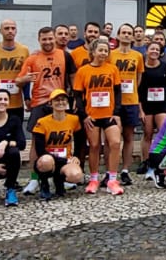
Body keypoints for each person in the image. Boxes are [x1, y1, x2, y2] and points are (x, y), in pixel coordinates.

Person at [17, 26, 77, 194]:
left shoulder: (64, 55)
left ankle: (62, 176)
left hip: (59, 102)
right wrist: (25, 83)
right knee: (36, 143)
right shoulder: (32, 58)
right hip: (40, 103)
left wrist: (74, 98)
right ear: (39, 40)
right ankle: (34, 179)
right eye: (44, 39)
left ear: (54, 39)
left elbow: (73, 77)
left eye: (50, 38)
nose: (48, 42)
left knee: (64, 138)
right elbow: (18, 81)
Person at [72, 38, 125, 195]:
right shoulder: (83, 71)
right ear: (93, 52)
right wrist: (84, 115)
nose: (103, 53)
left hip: (109, 114)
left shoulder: (112, 69)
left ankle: (112, 179)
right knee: (94, 146)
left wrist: (116, 112)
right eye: (100, 50)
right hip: (92, 116)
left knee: (115, 143)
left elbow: (117, 92)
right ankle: (94, 179)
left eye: (106, 51)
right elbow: (77, 95)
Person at [31, 89, 85, 200]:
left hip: (66, 159)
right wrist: (64, 161)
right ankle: (44, 184)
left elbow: (80, 141)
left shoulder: (74, 119)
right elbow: (40, 150)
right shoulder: (42, 122)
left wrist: (76, 156)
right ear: (50, 103)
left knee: (76, 175)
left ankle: (59, 182)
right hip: (47, 159)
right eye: (57, 100)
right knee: (46, 160)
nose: (61, 102)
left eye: (63, 99)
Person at [111, 23, 145, 187]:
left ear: (132, 37)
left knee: (129, 137)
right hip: (113, 102)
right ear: (117, 36)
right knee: (113, 139)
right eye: (123, 32)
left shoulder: (137, 56)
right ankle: (112, 172)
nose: (126, 35)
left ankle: (125, 170)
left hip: (131, 101)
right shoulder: (111, 55)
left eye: (129, 33)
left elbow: (138, 78)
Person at [138, 41, 166, 175]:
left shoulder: (165, 67)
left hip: (161, 104)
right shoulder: (142, 68)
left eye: (157, 50)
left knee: (164, 133)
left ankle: (162, 160)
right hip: (146, 105)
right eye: (152, 49)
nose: (155, 52)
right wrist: (140, 110)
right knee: (147, 134)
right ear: (146, 51)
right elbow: (138, 90)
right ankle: (147, 162)